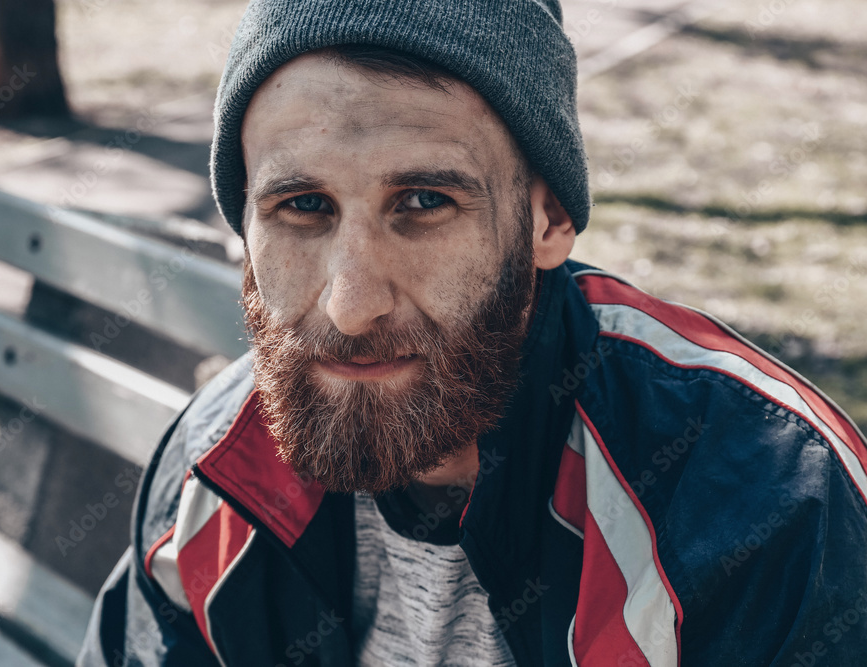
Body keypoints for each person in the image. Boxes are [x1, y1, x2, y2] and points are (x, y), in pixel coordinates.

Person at [78, 0, 867, 665]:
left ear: (548, 218)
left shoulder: (767, 505)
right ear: (243, 231)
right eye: (302, 206)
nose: (352, 306)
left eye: (423, 202)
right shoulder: (212, 476)